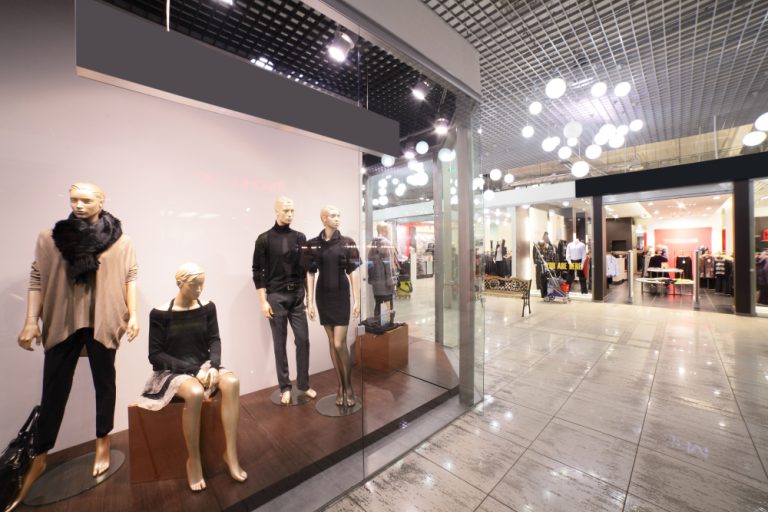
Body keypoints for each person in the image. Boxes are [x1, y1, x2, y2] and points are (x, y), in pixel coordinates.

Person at [12, 183, 138, 512]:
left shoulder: (120, 241)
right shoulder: (51, 239)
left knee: (104, 383)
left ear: (101, 201)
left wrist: (134, 314)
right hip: (63, 321)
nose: (78, 205)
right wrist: (31, 321)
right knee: (53, 388)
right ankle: (41, 454)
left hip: (103, 320)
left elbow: (130, 276)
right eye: (73, 200)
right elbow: (37, 277)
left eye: (86, 199)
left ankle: (102, 441)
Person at [136, 263, 246, 491]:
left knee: (232, 382)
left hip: (203, 365)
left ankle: (231, 454)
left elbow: (214, 339)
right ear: (180, 283)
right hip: (173, 371)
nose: (199, 290)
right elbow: (155, 354)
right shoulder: (160, 314)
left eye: (201, 285)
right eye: (194, 285)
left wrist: (213, 366)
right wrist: (193, 371)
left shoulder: (207, 308)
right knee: (195, 392)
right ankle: (193, 461)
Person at [252, 197, 316, 405]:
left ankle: (303, 385)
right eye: (286, 210)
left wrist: (310, 299)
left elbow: (306, 269)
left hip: (297, 295)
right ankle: (285, 387)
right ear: (277, 211)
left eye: (292, 211)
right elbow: (258, 272)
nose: (290, 214)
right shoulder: (264, 239)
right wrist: (263, 301)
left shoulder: (300, 237)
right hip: (276, 297)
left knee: (303, 340)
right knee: (279, 343)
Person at [304, 206, 361, 407]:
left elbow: (353, 271)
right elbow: (310, 273)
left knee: (338, 343)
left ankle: (348, 387)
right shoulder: (313, 244)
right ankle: (340, 386)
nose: (337, 219)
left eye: (339, 215)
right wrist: (310, 301)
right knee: (331, 342)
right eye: (333, 216)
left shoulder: (347, 242)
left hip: (341, 295)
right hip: (323, 296)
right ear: (323, 218)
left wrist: (357, 299)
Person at [367, 223, 398, 324]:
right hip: (385, 282)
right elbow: (388, 264)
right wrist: (391, 280)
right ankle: (386, 326)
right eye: (388, 229)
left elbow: (369, 263)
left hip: (376, 282)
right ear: (384, 230)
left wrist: (371, 278)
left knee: (378, 303)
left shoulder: (372, 243)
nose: (389, 231)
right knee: (387, 304)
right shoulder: (386, 243)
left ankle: (378, 325)